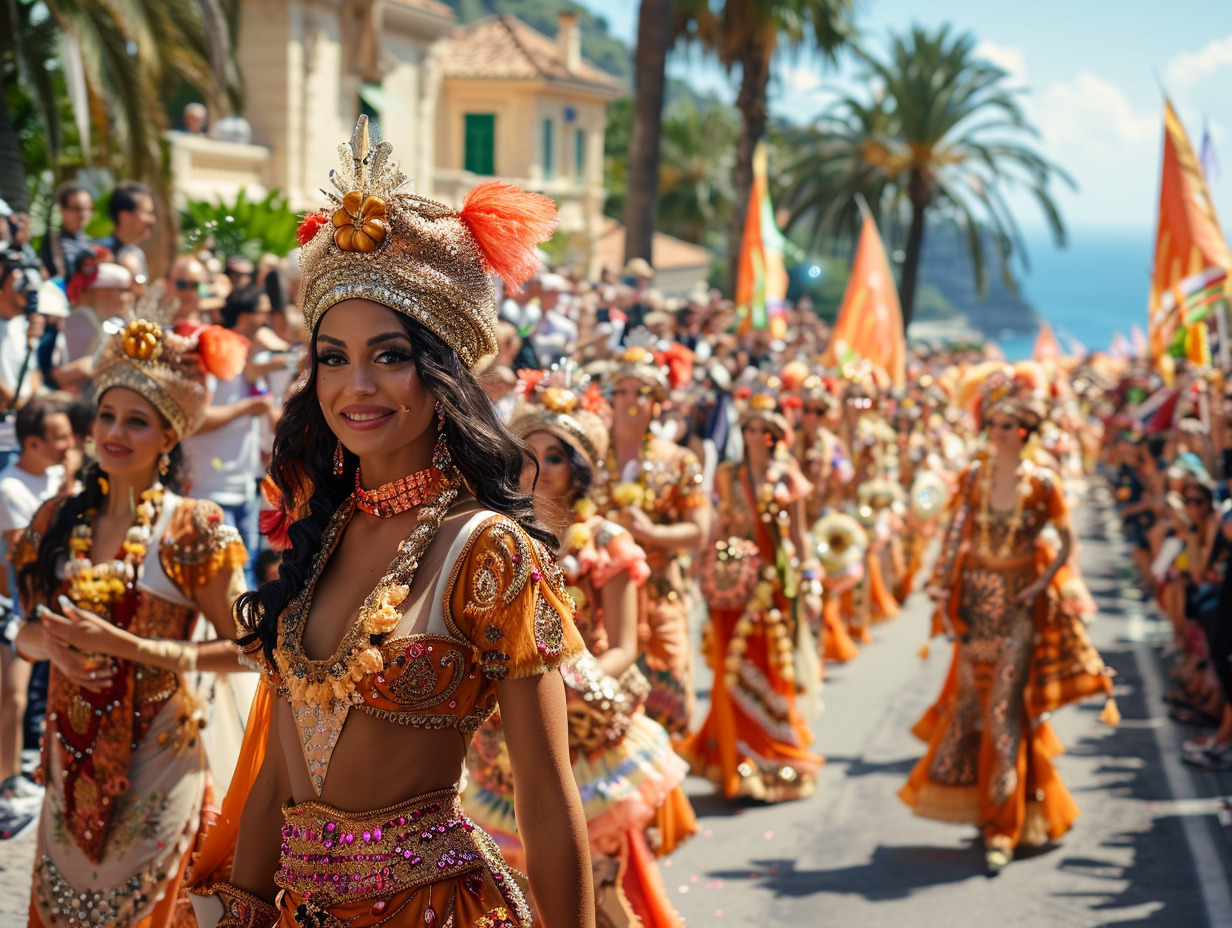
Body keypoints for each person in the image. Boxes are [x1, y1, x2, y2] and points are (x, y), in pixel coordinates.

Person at [192, 116, 594, 928]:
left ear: (441, 373)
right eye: (333, 357)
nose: (356, 386)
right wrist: (243, 908)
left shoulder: (488, 550)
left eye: (391, 354)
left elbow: (547, 802)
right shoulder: (321, 534)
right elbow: (277, 771)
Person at [11, 316, 250, 927]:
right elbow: (26, 634)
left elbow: (250, 648)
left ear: (169, 437)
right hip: (70, 762)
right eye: (107, 416)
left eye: (137, 421)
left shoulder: (193, 528)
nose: (115, 432)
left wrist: (138, 648)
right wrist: (53, 649)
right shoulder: (55, 521)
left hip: (161, 761)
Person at [464, 376, 690, 927]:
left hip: (584, 732)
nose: (539, 469)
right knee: (514, 879)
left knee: (598, 881)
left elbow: (626, 646)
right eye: (529, 454)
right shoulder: (493, 537)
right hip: (504, 734)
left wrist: (567, 683)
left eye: (555, 456)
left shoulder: (604, 541)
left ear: (578, 470)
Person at [901, 381, 1114, 874]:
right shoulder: (974, 477)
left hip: (1017, 615)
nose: (994, 432)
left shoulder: (1041, 484)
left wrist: (1040, 584)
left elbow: (1066, 540)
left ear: (1024, 432)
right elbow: (956, 534)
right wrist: (940, 586)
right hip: (975, 610)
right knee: (971, 711)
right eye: (991, 424)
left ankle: (1004, 828)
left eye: (1004, 426)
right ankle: (989, 808)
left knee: (1003, 717)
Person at [677, 392, 825, 802]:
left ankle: (769, 757)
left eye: (764, 430)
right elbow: (721, 524)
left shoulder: (787, 476)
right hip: (733, 587)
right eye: (749, 428)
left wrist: (808, 583)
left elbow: (798, 537)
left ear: (777, 436)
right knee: (731, 669)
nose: (756, 436)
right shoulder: (727, 475)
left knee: (772, 669)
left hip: (773, 590)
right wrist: (709, 570)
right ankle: (737, 759)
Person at [0, 397, 74, 824]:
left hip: (37, 610)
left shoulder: (49, 478)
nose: (68, 443)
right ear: (32, 443)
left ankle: (18, 776)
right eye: (58, 436)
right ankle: (7, 781)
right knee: (10, 698)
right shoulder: (10, 488)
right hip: (14, 609)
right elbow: (25, 554)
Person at [97, 182, 156, 283]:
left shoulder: (136, 252)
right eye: (147, 213)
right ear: (124, 216)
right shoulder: (100, 253)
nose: (152, 220)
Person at [39, 185, 95, 281]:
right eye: (77, 209)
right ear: (62, 210)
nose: (83, 215)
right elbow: (61, 276)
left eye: (88, 209)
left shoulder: (88, 240)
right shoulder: (55, 240)